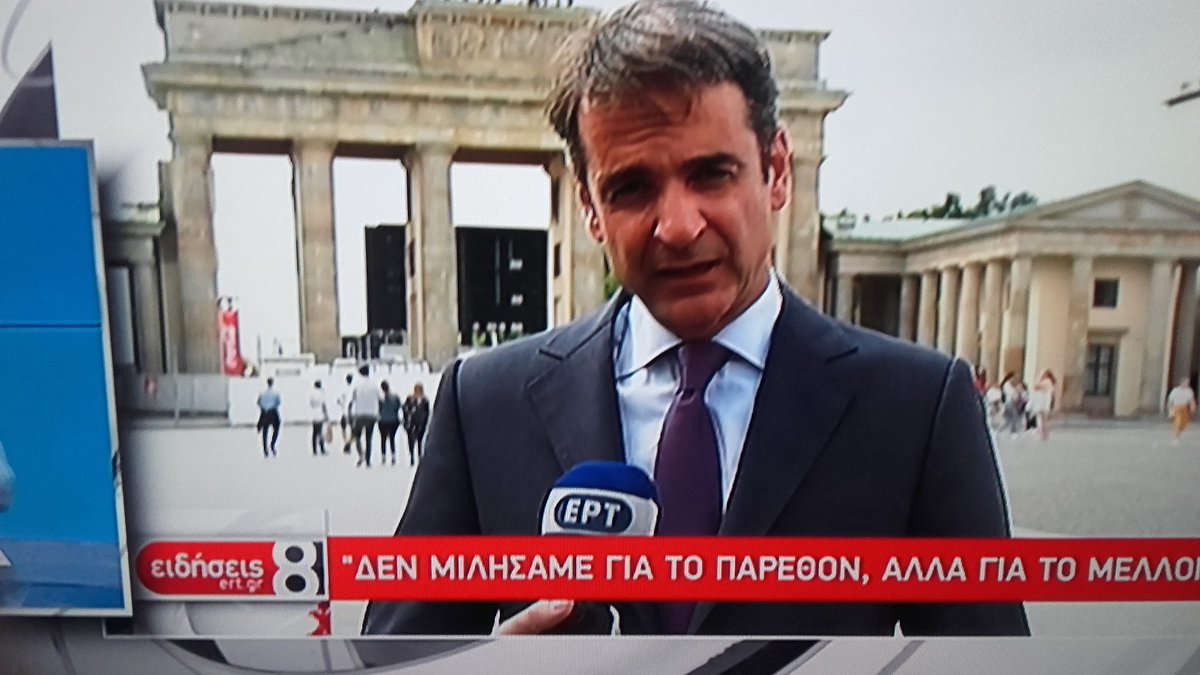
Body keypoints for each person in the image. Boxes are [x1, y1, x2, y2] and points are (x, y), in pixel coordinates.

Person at [363, 0, 1026, 637]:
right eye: (631, 188)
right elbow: (388, 658)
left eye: (712, 175)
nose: (678, 227)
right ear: (589, 207)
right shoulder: (484, 406)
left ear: (776, 171)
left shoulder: (915, 409)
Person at [349, 366, 381, 468]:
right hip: (371, 415)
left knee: (357, 436)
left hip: (359, 414)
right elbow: (380, 398)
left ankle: (360, 454)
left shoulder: (357, 384)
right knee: (369, 438)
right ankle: (368, 459)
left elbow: (351, 399)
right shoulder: (374, 384)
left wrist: (350, 414)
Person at [402, 383, 430, 466]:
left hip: (421, 423)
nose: (417, 392)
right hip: (411, 424)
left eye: (419, 390)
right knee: (411, 440)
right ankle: (412, 457)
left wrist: (425, 423)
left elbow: (427, 412)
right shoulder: (409, 399)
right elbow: (404, 409)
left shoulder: (425, 400)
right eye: (416, 390)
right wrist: (406, 420)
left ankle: (419, 456)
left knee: (420, 440)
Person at [378, 381, 403, 465]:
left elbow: (378, 409)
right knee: (392, 438)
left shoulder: (380, 399)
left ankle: (383, 456)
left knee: (383, 438)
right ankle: (393, 455)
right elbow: (399, 406)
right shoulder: (395, 397)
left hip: (383, 420)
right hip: (393, 420)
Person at [255, 378, 281, 457]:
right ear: (272, 383)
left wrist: (264, 408)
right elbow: (278, 403)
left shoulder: (262, 393)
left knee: (265, 430)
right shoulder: (275, 393)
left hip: (264, 412)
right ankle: (272, 445)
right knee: (276, 428)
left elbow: (258, 402)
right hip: (273, 412)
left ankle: (265, 449)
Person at [1028, 370, 1056, 441]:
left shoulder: (1046, 381)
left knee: (1044, 419)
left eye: (1042, 374)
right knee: (1044, 419)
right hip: (1047, 401)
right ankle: (1044, 435)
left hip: (1044, 402)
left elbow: (1035, 386)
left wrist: (1038, 377)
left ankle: (1044, 435)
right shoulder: (1050, 382)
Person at [1166, 377, 1196, 442]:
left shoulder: (1189, 391)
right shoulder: (1175, 390)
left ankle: (1178, 431)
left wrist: (1192, 407)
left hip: (1184, 408)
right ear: (1181, 383)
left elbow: (1191, 400)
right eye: (1185, 382)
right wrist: (1170, 411)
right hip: (1176, 407)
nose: (1186, 384)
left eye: (1187, 383)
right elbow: (1170, 401)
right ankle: (1176, 436)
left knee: (1185, 422)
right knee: (1178, 421)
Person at [309, 381, 329, 456]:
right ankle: (322, 449)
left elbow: (311, 403)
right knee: (320, 432)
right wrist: (326, 414)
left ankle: (314, 450)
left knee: (314, 433)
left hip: (314, 414)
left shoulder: (312, 393)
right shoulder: (321, 393)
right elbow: (323, 404)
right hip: (320, 413)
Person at [338, 373, 354, 454]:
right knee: (353, 430)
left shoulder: (343, 389)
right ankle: (349, 443)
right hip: (352, 413)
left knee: (343, 429)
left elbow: (339, 401)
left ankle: (346, 442)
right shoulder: (354, 389)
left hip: (344, 412)